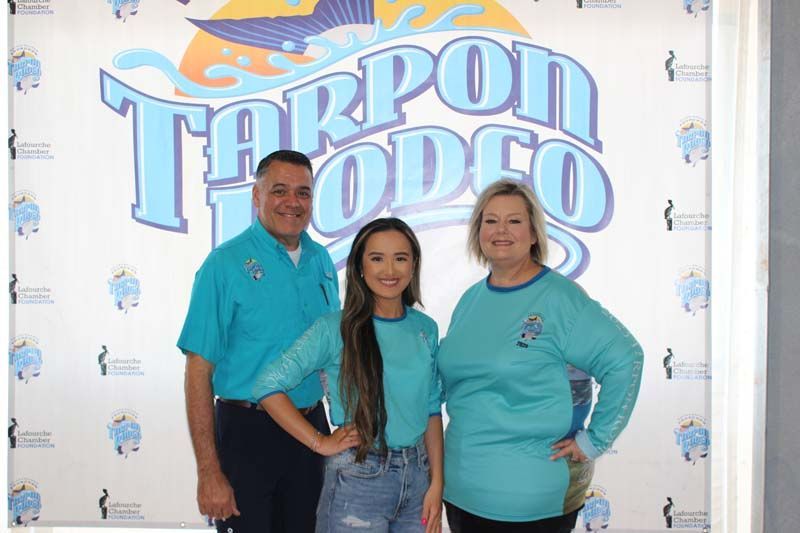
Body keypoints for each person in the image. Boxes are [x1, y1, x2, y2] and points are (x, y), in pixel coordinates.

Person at [437, 179, 643, 532]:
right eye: (491, 220)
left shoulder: (560, 298)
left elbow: (626, 359)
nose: (501, 230)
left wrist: (594, 441)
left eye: (514, 221)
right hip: (461, 490)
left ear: (534, 233)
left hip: (532, 501)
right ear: (478, 232)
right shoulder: (471, 299)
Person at [178, 150, 340, 533]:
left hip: (311, 430)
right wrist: (208, 471)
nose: (292, 202)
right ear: (256, 196)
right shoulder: (223, 264)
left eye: (303, 192)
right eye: (279, 190)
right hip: (247, 433)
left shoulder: (321, 261)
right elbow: (198, 371)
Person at [253, 218, 444, 533]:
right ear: (360, 267)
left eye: (400, 258)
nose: (389, 269)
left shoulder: (426, 329)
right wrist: (319, 442)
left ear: (413, 265)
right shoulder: (334, 329)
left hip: (418, 479)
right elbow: (267, 385)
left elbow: (432, 408)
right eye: (377, 258)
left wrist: (437, 483)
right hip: (358, 479)